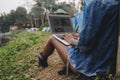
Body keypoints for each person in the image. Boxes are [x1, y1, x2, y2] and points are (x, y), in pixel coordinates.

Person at [38, 0, 119, 79]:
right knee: (72, 43)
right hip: (110, 64)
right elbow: (105, 35)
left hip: (93, 67)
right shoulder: (115, 3)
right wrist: (81, 36)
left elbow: (85, 45)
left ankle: (42, 58)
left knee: (53, 38)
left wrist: (71, 40)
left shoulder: (98, 3)